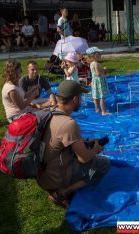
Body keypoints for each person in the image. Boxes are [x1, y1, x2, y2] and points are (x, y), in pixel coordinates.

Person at [37, 80, 110, 208]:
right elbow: (84, 159)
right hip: (56, 177)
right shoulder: (68, 124)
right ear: (75, 99)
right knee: (103, 164)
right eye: (81, 97)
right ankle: (63, 192)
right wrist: (95, 149)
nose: (81, 100)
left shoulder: (49, 112)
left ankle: (56, 188)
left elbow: (60, 140)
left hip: (42, 172)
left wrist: (86, 141)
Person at [85, 47, 111, 115]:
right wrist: (104, 70)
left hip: (94, 81)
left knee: (95, 96)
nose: (100, 54)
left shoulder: (91, 63)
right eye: (99, 53)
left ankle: (97, 109)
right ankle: (104, 111)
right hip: (99, 82)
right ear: (94, 55)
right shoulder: (96, 63)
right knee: (101, 96)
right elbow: (98, 74)